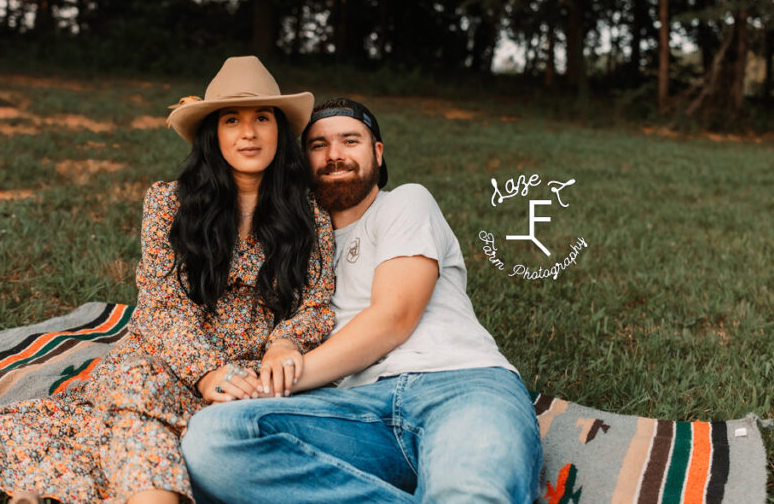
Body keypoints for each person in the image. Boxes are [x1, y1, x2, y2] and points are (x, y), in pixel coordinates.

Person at [0, 56, 336, 504]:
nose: (248, 132)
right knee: (137, 388)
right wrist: (205, 370)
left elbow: (317, 304)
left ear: (280, 130)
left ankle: (59, 484)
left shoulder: (309, 214)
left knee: (124, 424)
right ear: (213, 134)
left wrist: (286, 342)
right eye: (231, 119)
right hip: (168, 355)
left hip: (249, 374)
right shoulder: (169, 203)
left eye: (262, 118)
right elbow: (161, 305)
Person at [182, 97, 542, 504]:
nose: (334, 155)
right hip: (352, 413)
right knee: (214, 439)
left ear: (377, 152)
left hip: (458, 387)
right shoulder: (290, 247)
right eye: (318, 145)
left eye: (350, 140)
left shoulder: (405, 203)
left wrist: (276, 383)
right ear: (301, 161)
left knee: (469, 495)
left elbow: (394, 318)